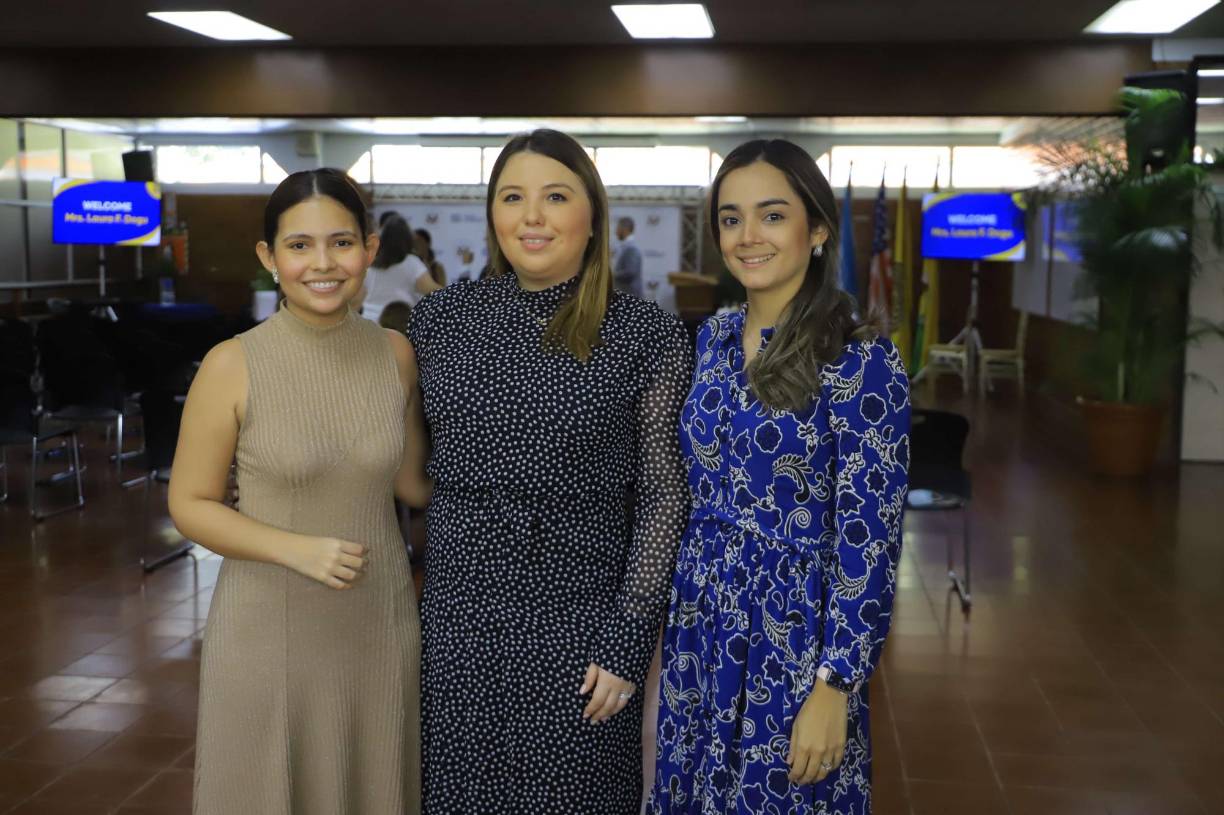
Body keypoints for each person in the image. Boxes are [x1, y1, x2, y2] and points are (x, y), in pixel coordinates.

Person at [407, 128, 691, 813]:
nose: (531, 216)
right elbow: (409, 465)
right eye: (513, 197)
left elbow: (662, 495)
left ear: (591, 216)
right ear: (493, 215)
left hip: (582, 632)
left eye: (554, 196)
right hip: (459, 627)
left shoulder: (645, 334)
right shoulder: (439, 321)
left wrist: (628, 639)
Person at [649, 140, 910, 814]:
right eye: (731, 218)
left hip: (794, 633)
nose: (748, 236)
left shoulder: (859, 356)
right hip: (703, 623)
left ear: (817, 229)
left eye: (771, 215)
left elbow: (870, 536)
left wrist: (836, 684)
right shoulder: (712, 336)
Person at [169, 168, 430, 815]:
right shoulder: (233, 362)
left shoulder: (396, 353)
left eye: (341, 243)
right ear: (269, 256)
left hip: (379, 618)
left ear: (370, 248)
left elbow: (412, 484)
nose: (323, 263)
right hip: (271, 622)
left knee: (373, 787)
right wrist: (296, 549)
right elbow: (189, 503)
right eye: (299, 245)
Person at [364, 215, 440, 322]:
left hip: (369, 321)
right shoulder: (411, 263)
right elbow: (433, 290)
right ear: (407, 238)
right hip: (399, 323)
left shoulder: (370, 261)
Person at [613, 216, 643, 298]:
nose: (616, 232)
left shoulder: (631, 248)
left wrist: (611, 275)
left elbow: (631, 272)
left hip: (630, 295)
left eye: (618, 228)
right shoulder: (625, 247)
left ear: (624, 230)